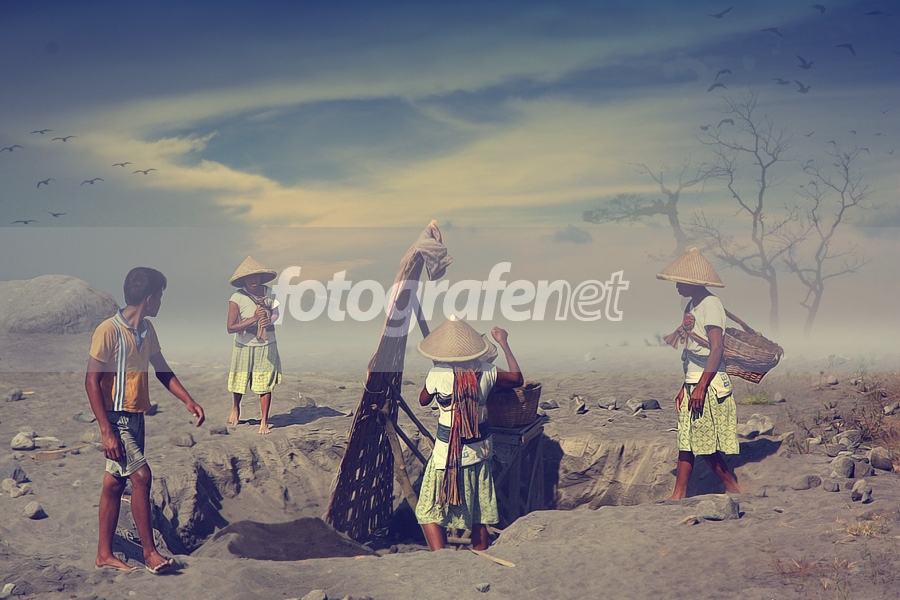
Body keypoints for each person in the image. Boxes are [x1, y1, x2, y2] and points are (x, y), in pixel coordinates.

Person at [85, 267, 205, 574]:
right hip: (116, 420)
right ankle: (150, 553)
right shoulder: (108, 330)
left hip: (137, 417)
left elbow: (162, 369)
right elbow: (91, 381)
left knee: (114, 483)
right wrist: (106, 430)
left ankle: (104, 554)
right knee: (142, 477)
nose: (161, 302)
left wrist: (187, 399)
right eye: (160, 296)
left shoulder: (147, 330)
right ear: (150, 299)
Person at [415, 316, 523, 551]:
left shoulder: (437, 373)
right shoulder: (487, 370)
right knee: (478, 512)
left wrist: (437, 382)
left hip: (447, 455)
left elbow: (423, 400)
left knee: (426, 510)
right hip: (480, 451)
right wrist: (503, 342)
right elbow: (517, 378)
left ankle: (440, 556)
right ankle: (480, 557)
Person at [657, 248, 743, 500]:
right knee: (686, 440)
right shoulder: (691, 305)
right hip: (693, 383)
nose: (676, 286)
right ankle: (678, 494)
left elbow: (717, 348)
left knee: (703, 443)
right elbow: (693, 350)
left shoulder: (711, 305)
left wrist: (701, 387)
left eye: (680, 282)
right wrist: (685, 387)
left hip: (709, 383)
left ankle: (733, 488)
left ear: (692, 283)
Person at [226, 256, 282, 434]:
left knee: (265, 383)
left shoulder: (269, 292)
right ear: (244, 280)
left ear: (261, 278)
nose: (253, 280)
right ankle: (236, 408)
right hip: (244, 345)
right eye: (250, 277)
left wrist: (269, 320)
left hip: (267, 343)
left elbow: (276, 312)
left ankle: (264, 421)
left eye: (256, 276)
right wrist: (253, 319)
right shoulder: (237, 298)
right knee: (239, 381)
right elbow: (230, 327)